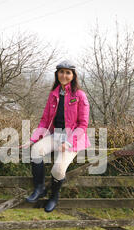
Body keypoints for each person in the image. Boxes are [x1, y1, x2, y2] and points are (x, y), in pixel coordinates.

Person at [19, 60, 91, 212]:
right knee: (35, 150)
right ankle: (39, 189)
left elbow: (83, 125)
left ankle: (54, 196)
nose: (64, 75)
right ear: (57, 74)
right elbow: (45, 120)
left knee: (58, 169)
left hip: (73, 139)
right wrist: (33, 139)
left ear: (73, 75)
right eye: (61, 72)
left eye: (67, 72)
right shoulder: (53, 94)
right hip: (55, 135)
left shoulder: (80, 95)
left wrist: (69, 143)